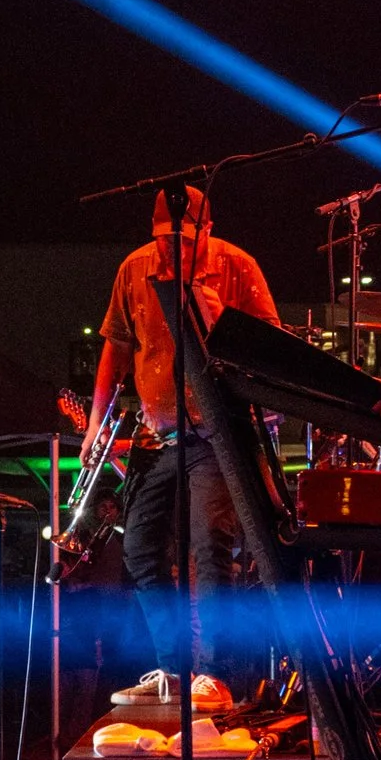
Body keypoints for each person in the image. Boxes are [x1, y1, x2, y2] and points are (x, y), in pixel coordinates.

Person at [91, 186, 280, 695]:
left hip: (217, 432)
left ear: (206, 231)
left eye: (182, 240)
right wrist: (94, 424)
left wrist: (218, 319)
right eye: (163, 240)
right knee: (139, 548)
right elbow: (115, 348)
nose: (172, 250)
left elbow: (271, 346)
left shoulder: (237, 266)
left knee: (208, 547)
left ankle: (213, 674)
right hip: (159, 435)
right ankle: (173, 670)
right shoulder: (135, 268)